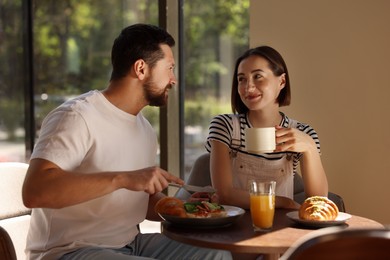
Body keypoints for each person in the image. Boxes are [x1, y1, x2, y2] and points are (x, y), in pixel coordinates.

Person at [22, 23, 232, 260]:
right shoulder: (77, 116)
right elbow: (34, 192)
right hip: (68, 250)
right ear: (141, 68)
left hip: (130, 243)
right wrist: (123, 178)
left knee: (216, 255)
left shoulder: (145, 130)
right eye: (169, 68)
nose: (173, 80)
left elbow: (138, 201)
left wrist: (182, 207)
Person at [205, 46, 328, 210]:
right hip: (233, 228)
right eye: (241, 79)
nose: (248, 87)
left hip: (282, 228)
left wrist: (310, 147)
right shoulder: (224, 126)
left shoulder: (302, 133)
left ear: (282, 81)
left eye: (258, 77)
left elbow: (318, 204)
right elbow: (224, 194)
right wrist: (285, 202)